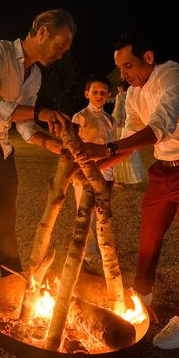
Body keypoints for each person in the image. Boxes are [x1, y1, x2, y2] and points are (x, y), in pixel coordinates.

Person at [75, 32, 179, 350]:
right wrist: (93, 160)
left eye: (128, 66)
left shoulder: (173, 76)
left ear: (148, 58)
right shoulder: (136, 94)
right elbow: (130, 141)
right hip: (162, 170)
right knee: (149, 237)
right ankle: (142, 293)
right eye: (119, 68)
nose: (122, 75)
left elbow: (158, 128)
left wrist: (106, 146)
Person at [0, 9, 76, 321]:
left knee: (6, 224)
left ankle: (13, 283)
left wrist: (50, 143)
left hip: (0, 150)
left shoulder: (35, 75)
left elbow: (23, 123)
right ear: (43, 32)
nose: (61, 54)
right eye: (60, 46)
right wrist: (40, 112)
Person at [71, 74, 116, 276]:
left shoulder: (111, 120)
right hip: (84, 175)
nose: (99, 96)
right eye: (95, 92)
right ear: (86, 93)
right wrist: (75, 173)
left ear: (108, 95)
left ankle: (104, 255)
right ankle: (88, 257)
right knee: (84, 217)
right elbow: (73, 146)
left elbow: (112, 149)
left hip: (105, 175)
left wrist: (111, 174)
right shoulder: (80, 117)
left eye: (102, 93)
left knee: (102, 217)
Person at [111, 81, 144, 185]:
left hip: (121, 127)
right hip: (132, 126)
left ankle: (121, 179)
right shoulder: (133, 94)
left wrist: (112, 123)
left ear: (120, 88)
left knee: (120, 151)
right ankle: (134, 177)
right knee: (132, 151)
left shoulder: (120, 96)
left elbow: (117, 113)